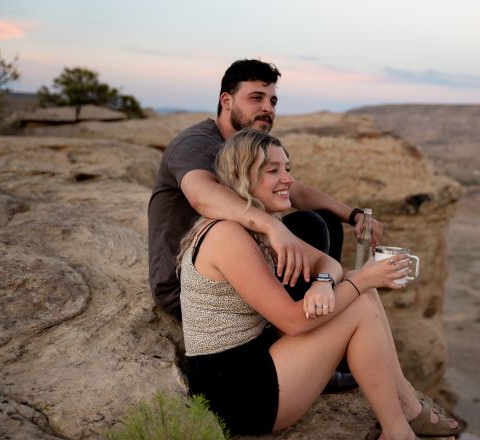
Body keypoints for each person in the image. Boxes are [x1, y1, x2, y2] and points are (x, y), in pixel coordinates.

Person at [178, 129, 464, 440]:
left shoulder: (265, 228)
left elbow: (327, 264)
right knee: (360, 295)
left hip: (255, 356)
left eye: (288, 168)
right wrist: (361, 279)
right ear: (241, 177)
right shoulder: (228, 235)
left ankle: (405, 406)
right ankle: (397, 437)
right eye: (273, 171)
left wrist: (325, 283)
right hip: (236, 391)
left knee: (361, 292)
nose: (288, 179)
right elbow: (293, 322)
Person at [147, 58, 383, 320]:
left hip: (233, 265)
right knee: (308, 227)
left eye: (272, 101)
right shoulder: (197, 144)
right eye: (256, 98)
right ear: (226, 101)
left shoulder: (246, 148)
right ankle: (303, 322)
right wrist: (273, 227)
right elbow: (202, 196)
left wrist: (354, 215)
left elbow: (294, 191)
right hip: (189, 286)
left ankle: (319, 305)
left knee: (324, 221)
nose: (267, 108)